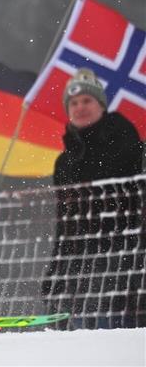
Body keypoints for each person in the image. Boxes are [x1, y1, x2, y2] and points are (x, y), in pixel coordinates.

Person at [43, 68, 145, 328]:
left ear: (101, 105)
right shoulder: (64, 163)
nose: (80, 107)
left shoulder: (126, 141)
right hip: (80, 270)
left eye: (87, 100)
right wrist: (56, 272)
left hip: (126, 262)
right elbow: (65, 223)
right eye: (74, 103)